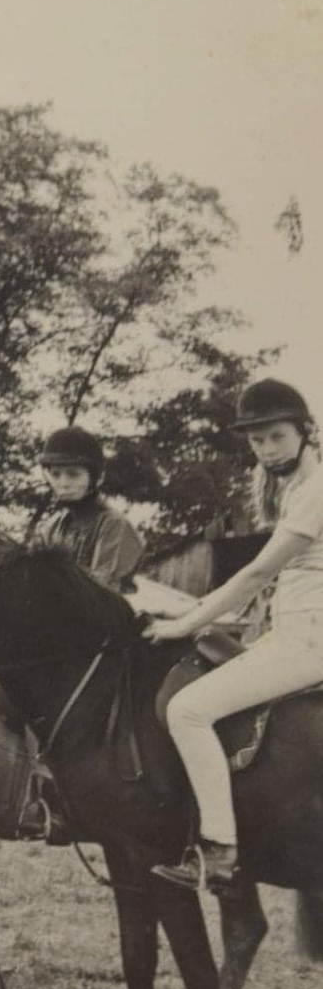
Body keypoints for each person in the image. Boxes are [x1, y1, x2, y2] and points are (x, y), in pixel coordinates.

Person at [143, 379, 323, 891]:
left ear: (305, 431)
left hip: (308, 642)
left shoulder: (315, 490)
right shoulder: (293, 490)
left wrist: (184, 624)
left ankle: (219, 849)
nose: (268, 449)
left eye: (277, 437)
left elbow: (256, 574)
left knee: (187, 710)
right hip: (291, 632)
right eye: (257, 440)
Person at [31, 426, 144, 592]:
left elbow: (100, 590)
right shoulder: (52, 527)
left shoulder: (114, 525)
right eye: (56, 474)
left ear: (97, 478)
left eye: (73, 474)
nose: (63, 483)